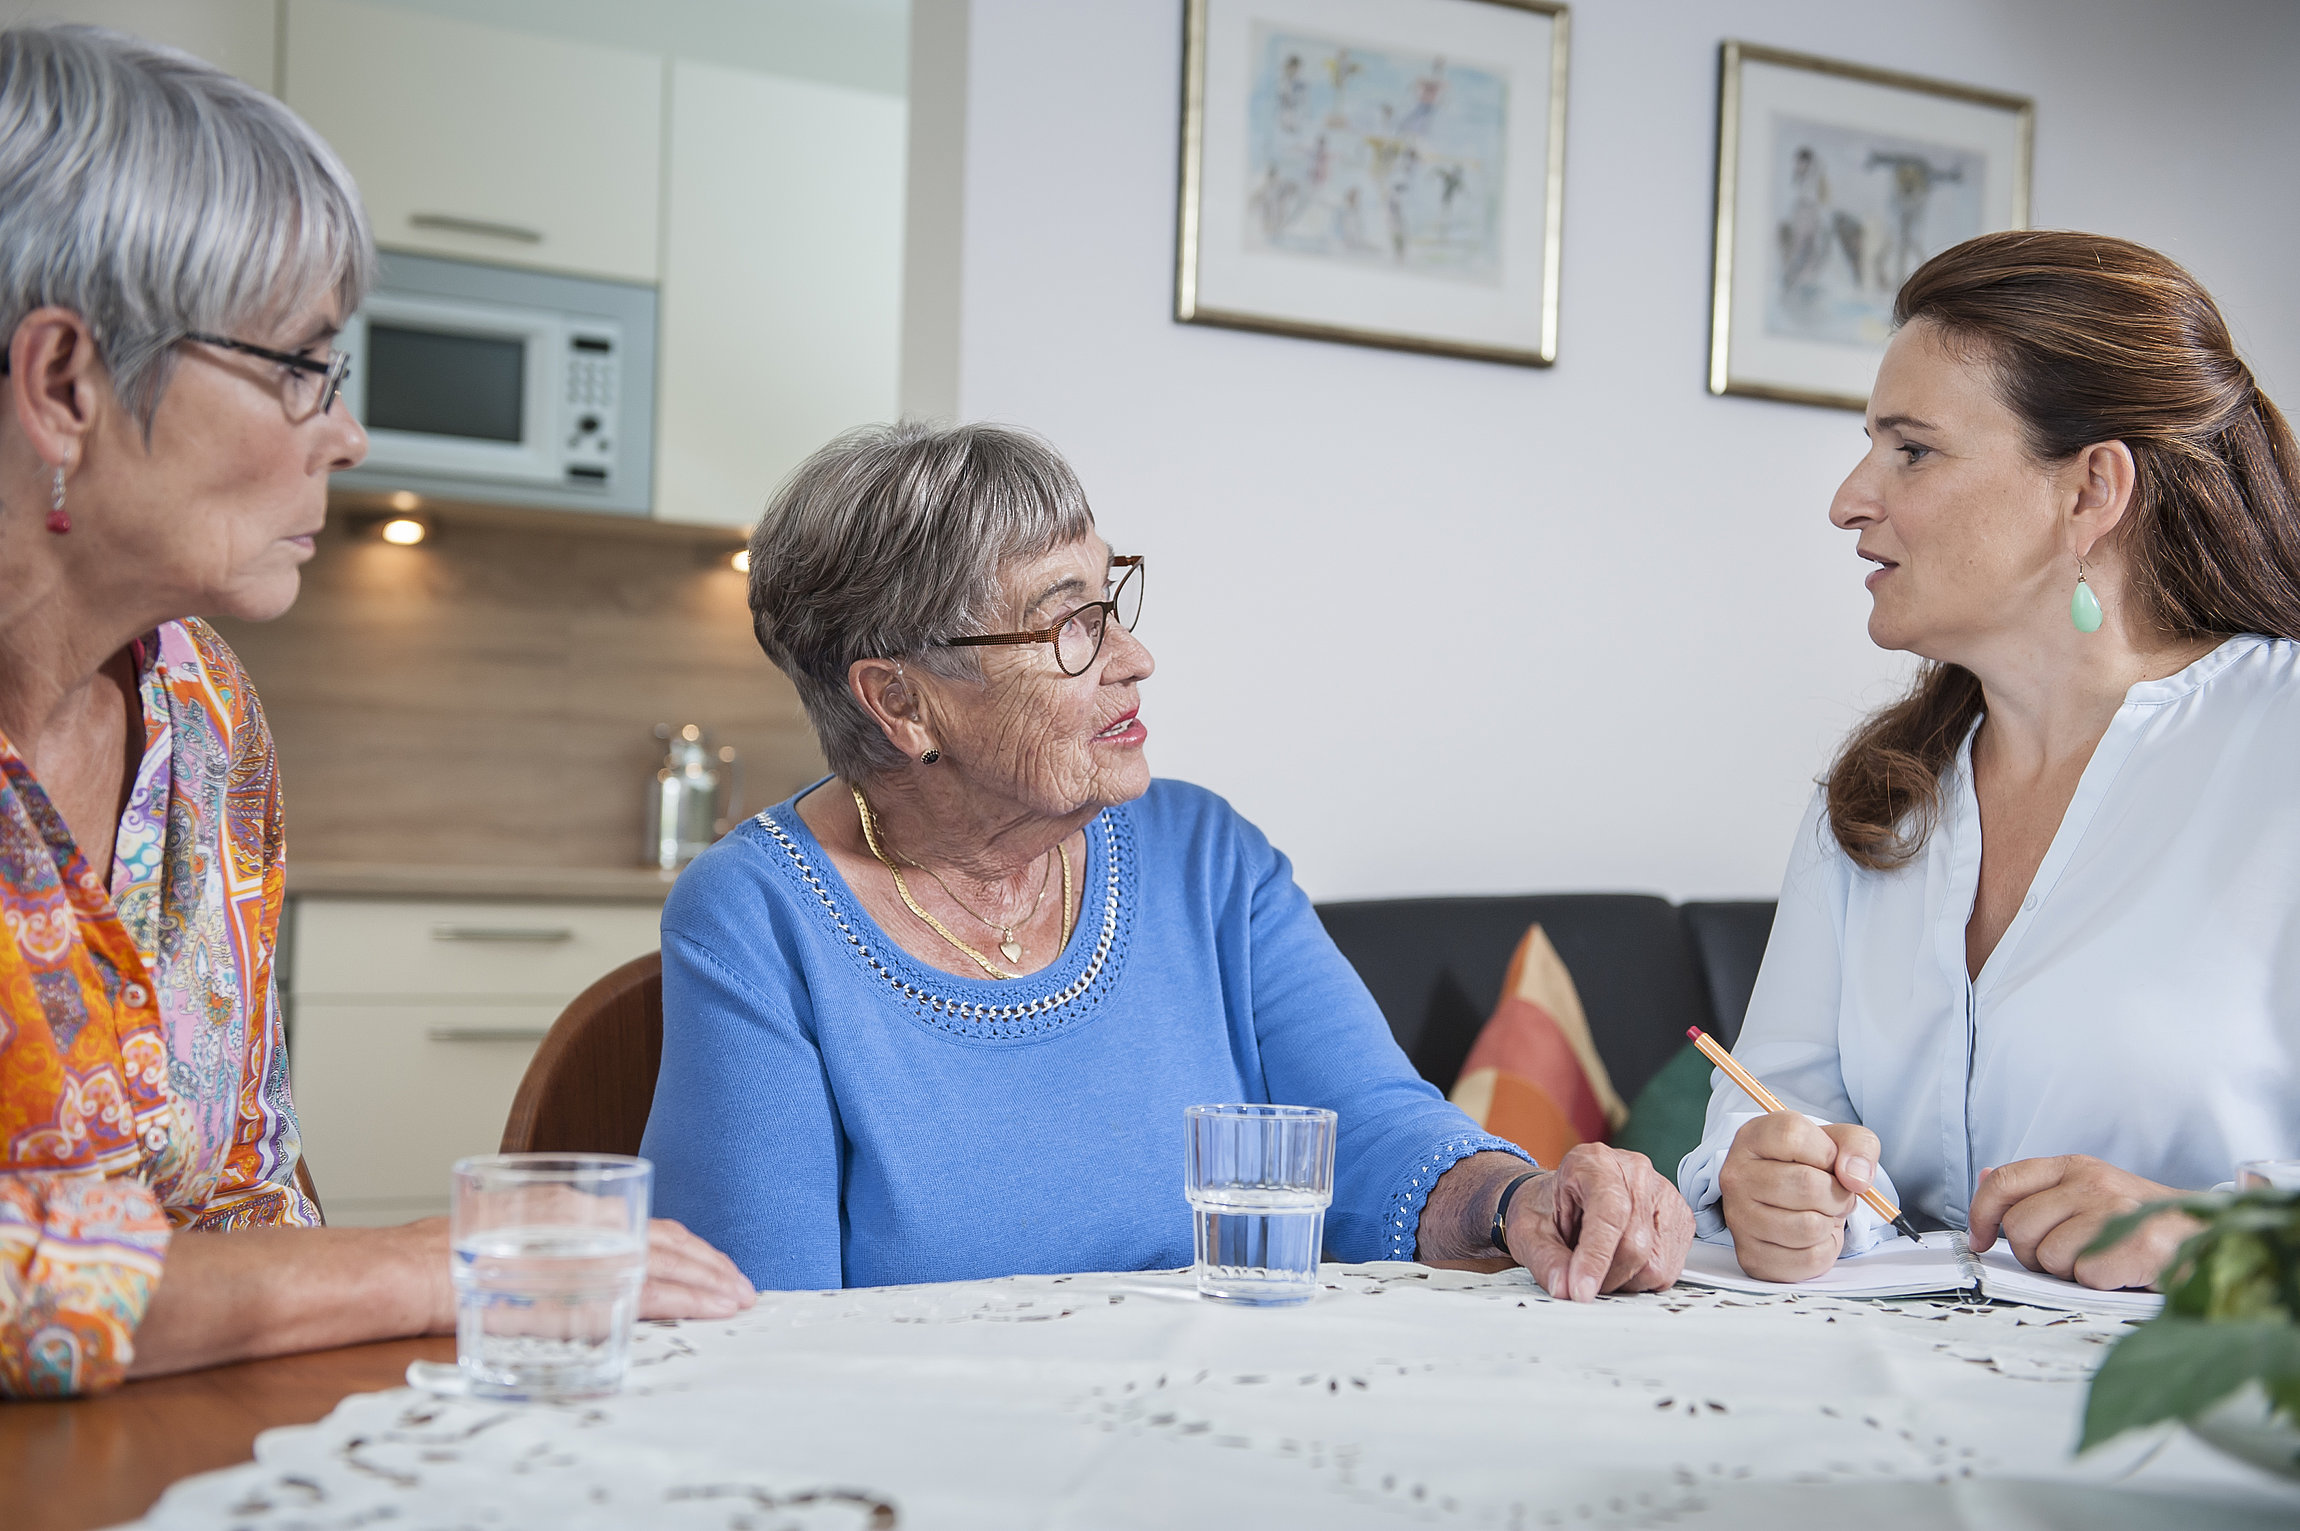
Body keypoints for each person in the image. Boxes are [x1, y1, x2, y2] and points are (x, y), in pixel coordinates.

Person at [0, 25, 751, 1399]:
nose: (344, 434)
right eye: (298, 365)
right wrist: (438, 1254)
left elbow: (247, 1202)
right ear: (64, 384)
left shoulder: (203, 711)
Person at [642, 420, 1694, 1298]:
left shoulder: (1205, 859)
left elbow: (1371, 1123)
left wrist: (1519, 1202)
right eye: (1068, 626)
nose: (1133, 658)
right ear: (900, 700)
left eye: (1114, 600)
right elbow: (757, 1317)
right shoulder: (755, 914)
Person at [1678, 231, 2300, 1289]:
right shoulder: (1875, 800)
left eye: (1909, 450)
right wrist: (1764, 1182)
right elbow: (1767, 1101)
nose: (1848, 498)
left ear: (2088, 491)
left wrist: (2216, 1236)